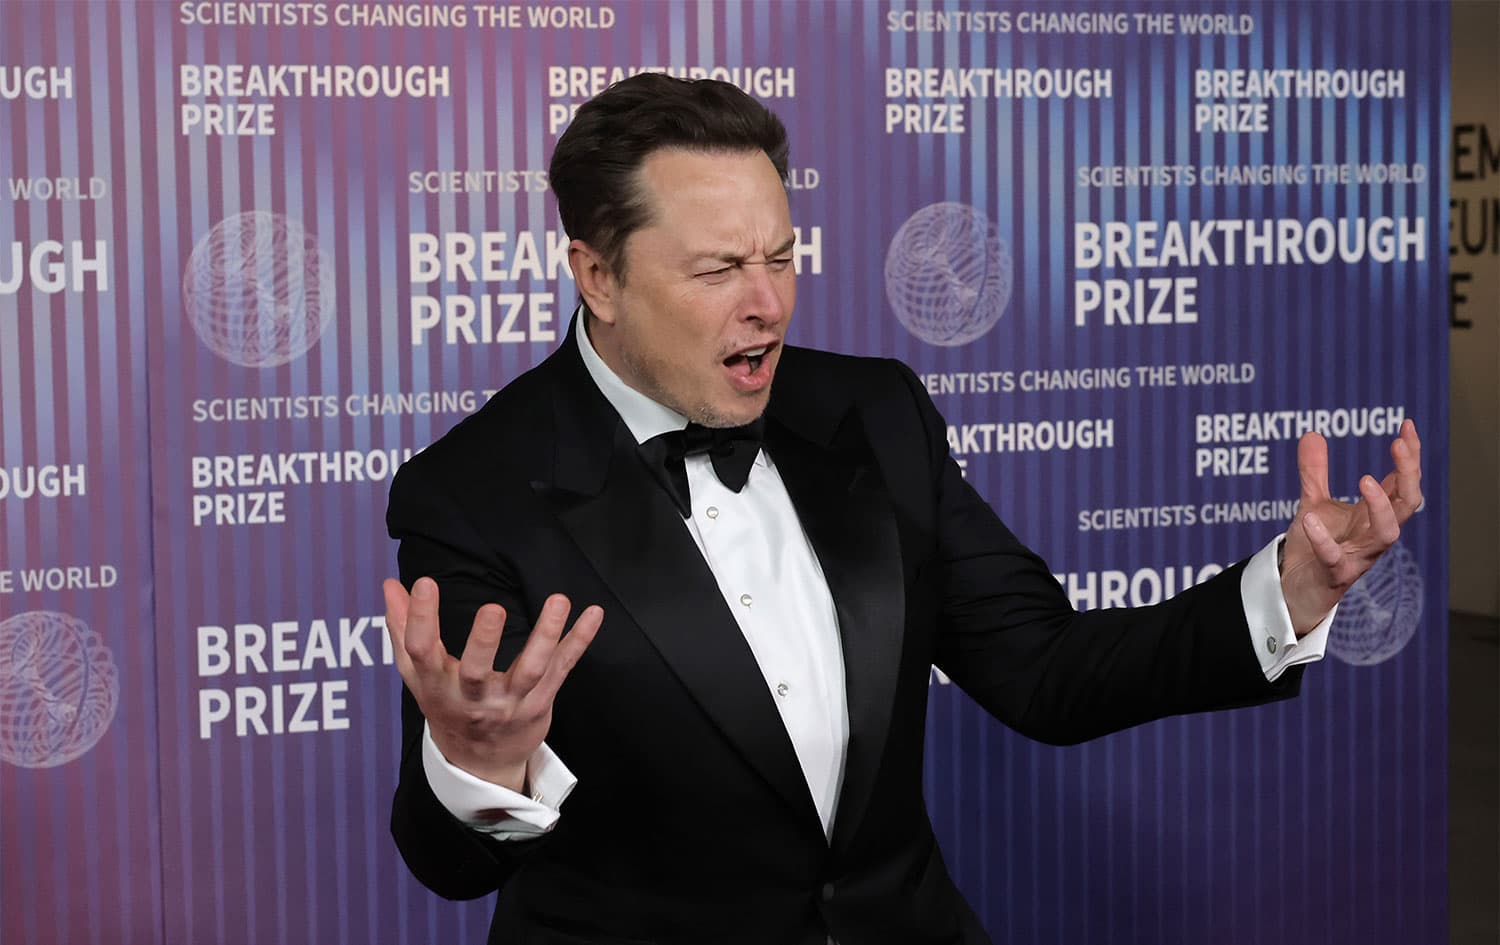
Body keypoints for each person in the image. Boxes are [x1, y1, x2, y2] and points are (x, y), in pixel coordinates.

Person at [382, 74, 1423, 945]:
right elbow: (450, 864)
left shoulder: (872, 414)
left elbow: (1044, 670)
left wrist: (1284, 591)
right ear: (597, 276)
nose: (771, 303)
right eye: (720, 269)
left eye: (782, 256)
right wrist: (479, 763)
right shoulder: (474, 492)